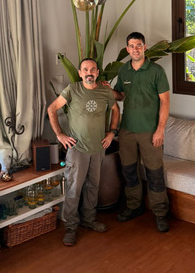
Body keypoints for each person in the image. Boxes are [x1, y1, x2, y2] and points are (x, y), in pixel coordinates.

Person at [47, 58, 120, 247]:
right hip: (77, 149)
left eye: (93, 69)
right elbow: (52, 108)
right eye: (85, 69)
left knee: (93, 187)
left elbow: (115, 109)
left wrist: (112, 132)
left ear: (97, 72)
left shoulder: (105, 91)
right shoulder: (72, 90)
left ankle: (89, 219)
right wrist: (60, 135)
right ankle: (71, 227)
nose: (89, 72)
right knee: (74, 188)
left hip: (98, 148)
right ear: (80, 73)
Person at [112, 32, 170, 233]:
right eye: (131, 46)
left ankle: (160, 213)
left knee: (154, 173)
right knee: (129, 171)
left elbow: (165, 102)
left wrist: (160, 130)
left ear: (145, 47)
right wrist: (107, 90)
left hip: (150, 132)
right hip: (127, 131)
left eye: (138, 45)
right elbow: (120, 95)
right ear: (127, 49)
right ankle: (134, 206)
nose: (135, 49)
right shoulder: (124, 70)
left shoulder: (156, 71)